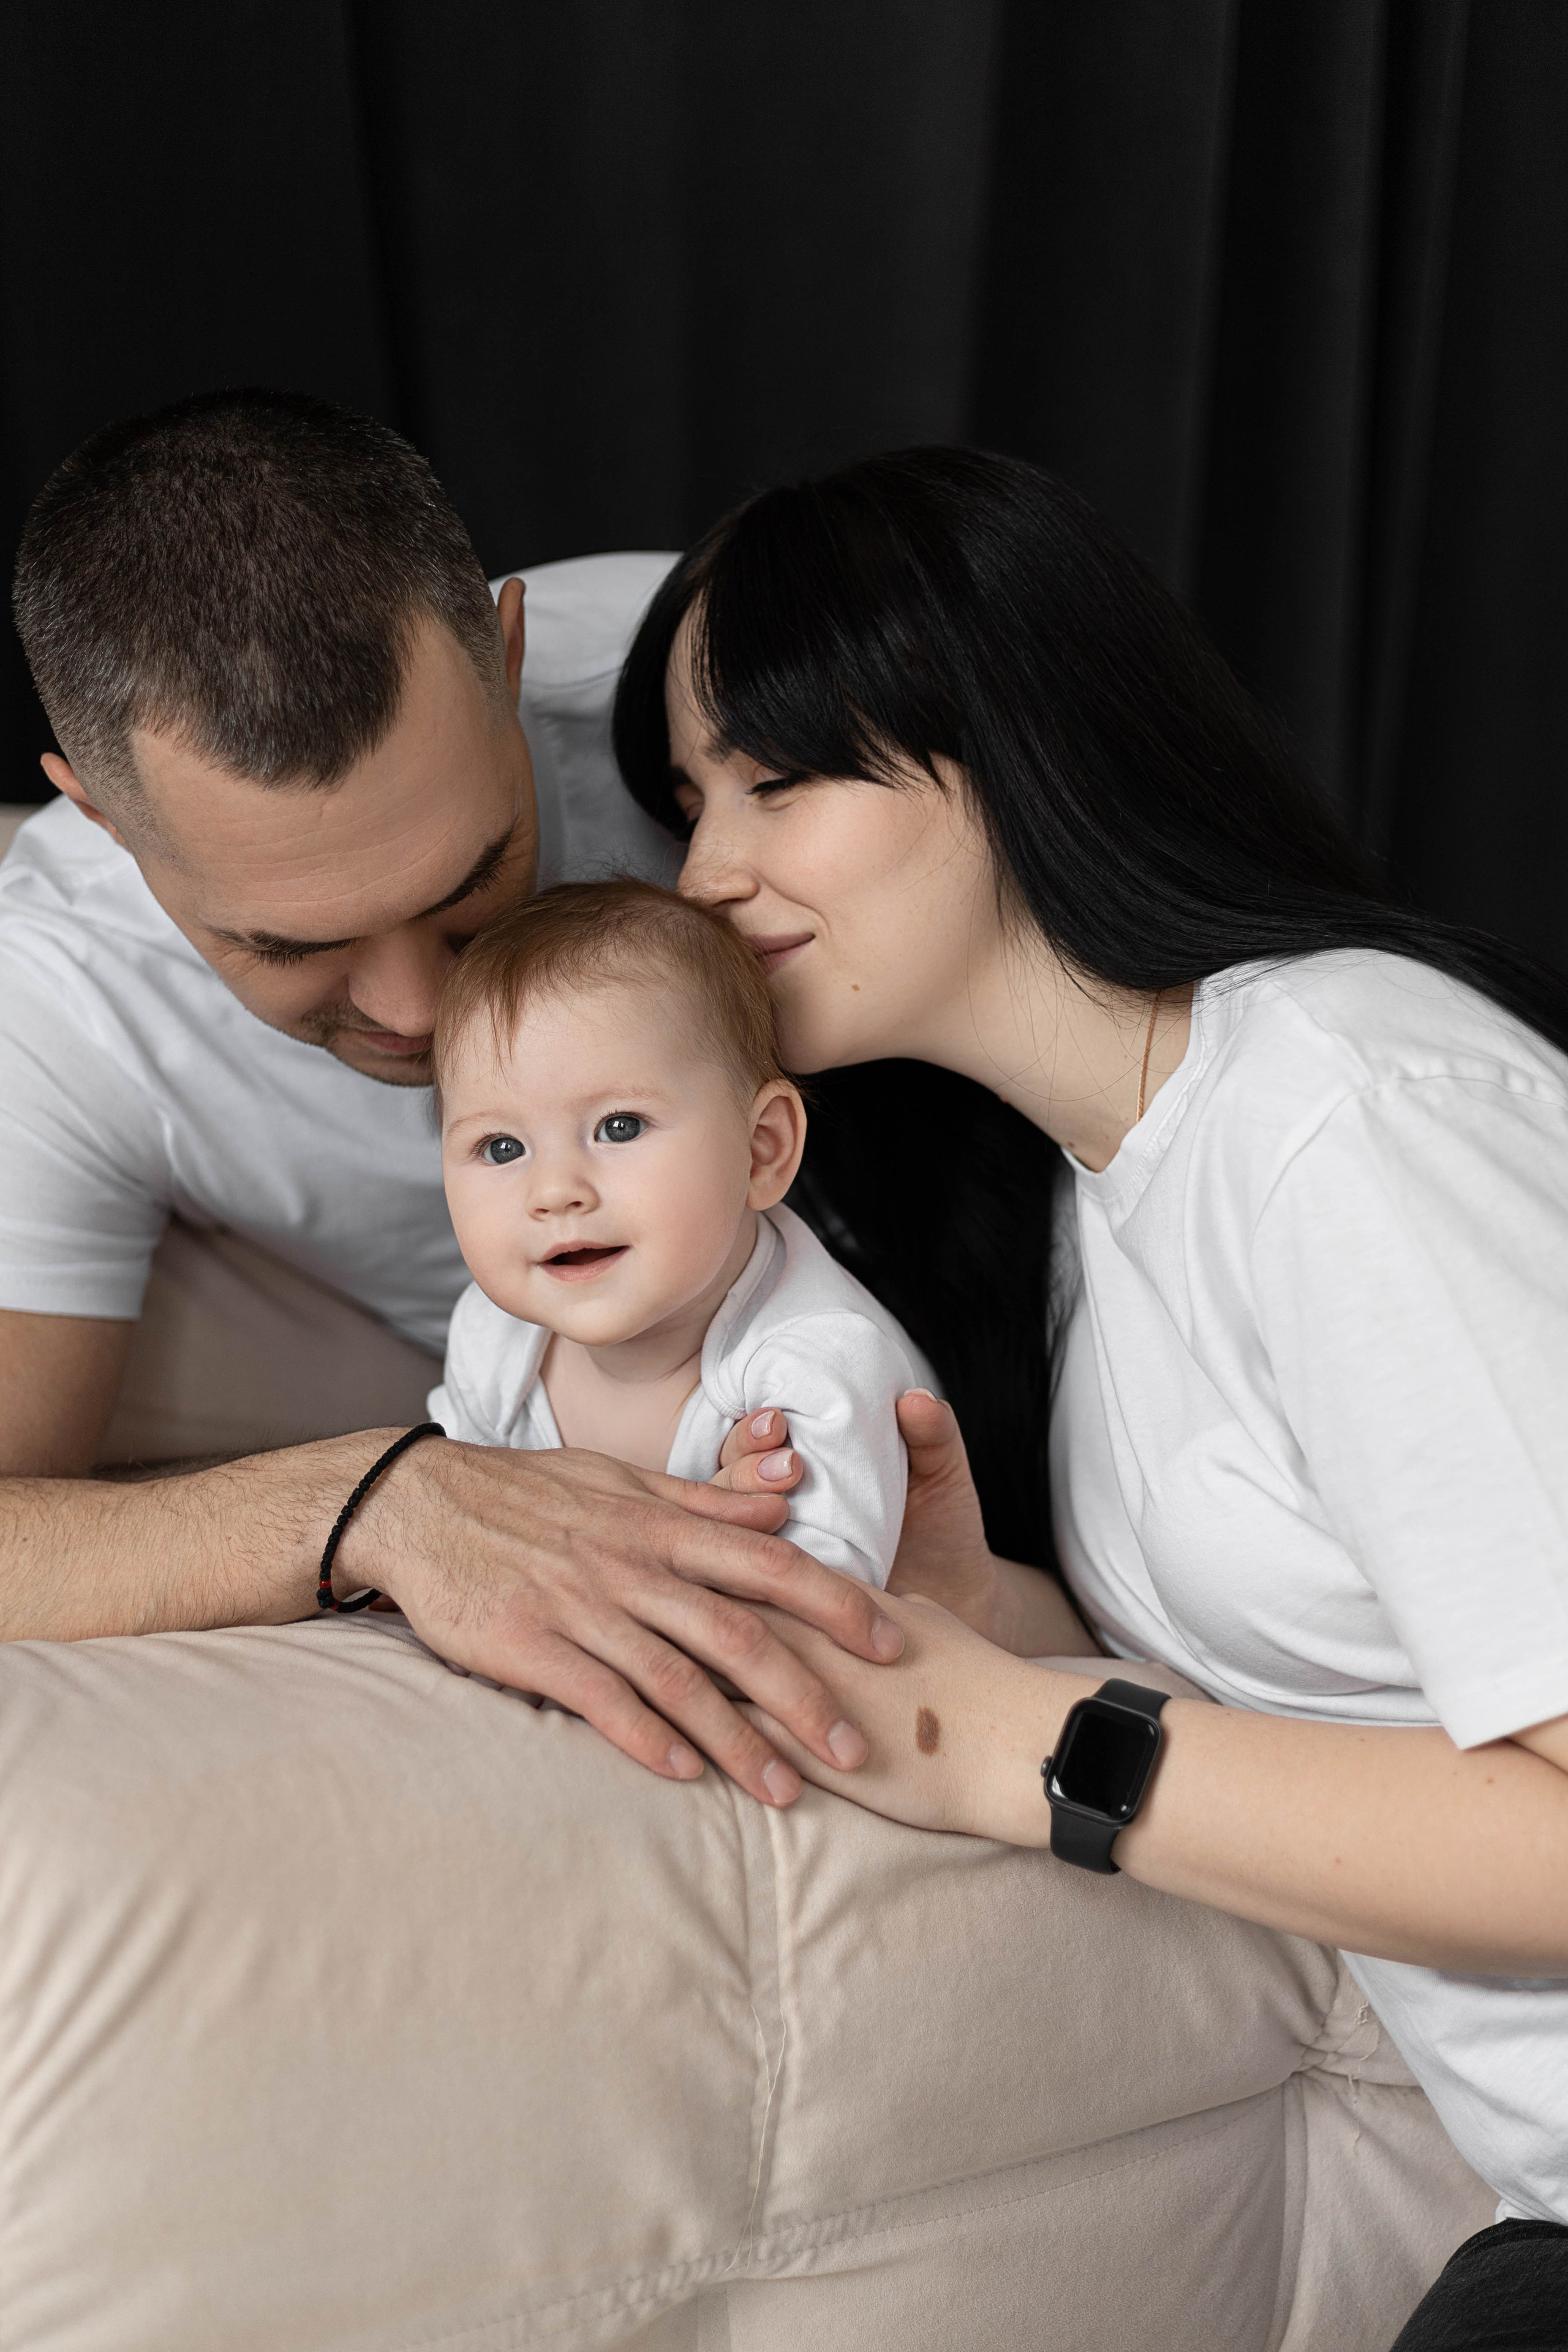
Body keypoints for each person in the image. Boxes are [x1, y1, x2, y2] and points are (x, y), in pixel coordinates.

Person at [610, 445, 1568, 2347]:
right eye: (686, 800)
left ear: (1009, 732)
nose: (705, 873)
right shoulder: (1091, 1199)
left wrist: (1024, 1746)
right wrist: (1009, 1620)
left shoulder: (1338, 1107)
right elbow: (1354, 1699)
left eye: (776, 777)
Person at [0, 388, 916, 1815]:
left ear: (507, 649)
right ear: (108, 820)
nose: (421, 1013)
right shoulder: (54, 996)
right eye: (290, 944)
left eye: (464, 880)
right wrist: (382, 1500)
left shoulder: (699, 680)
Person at [428, 879, 929, 1591]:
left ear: (760, 1150)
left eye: (619, 1127)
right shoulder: (494, 1337)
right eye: (502, 1149)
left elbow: (818, 1603)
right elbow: (457, 1518)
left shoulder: (811, 1366)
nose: (554, 1192)